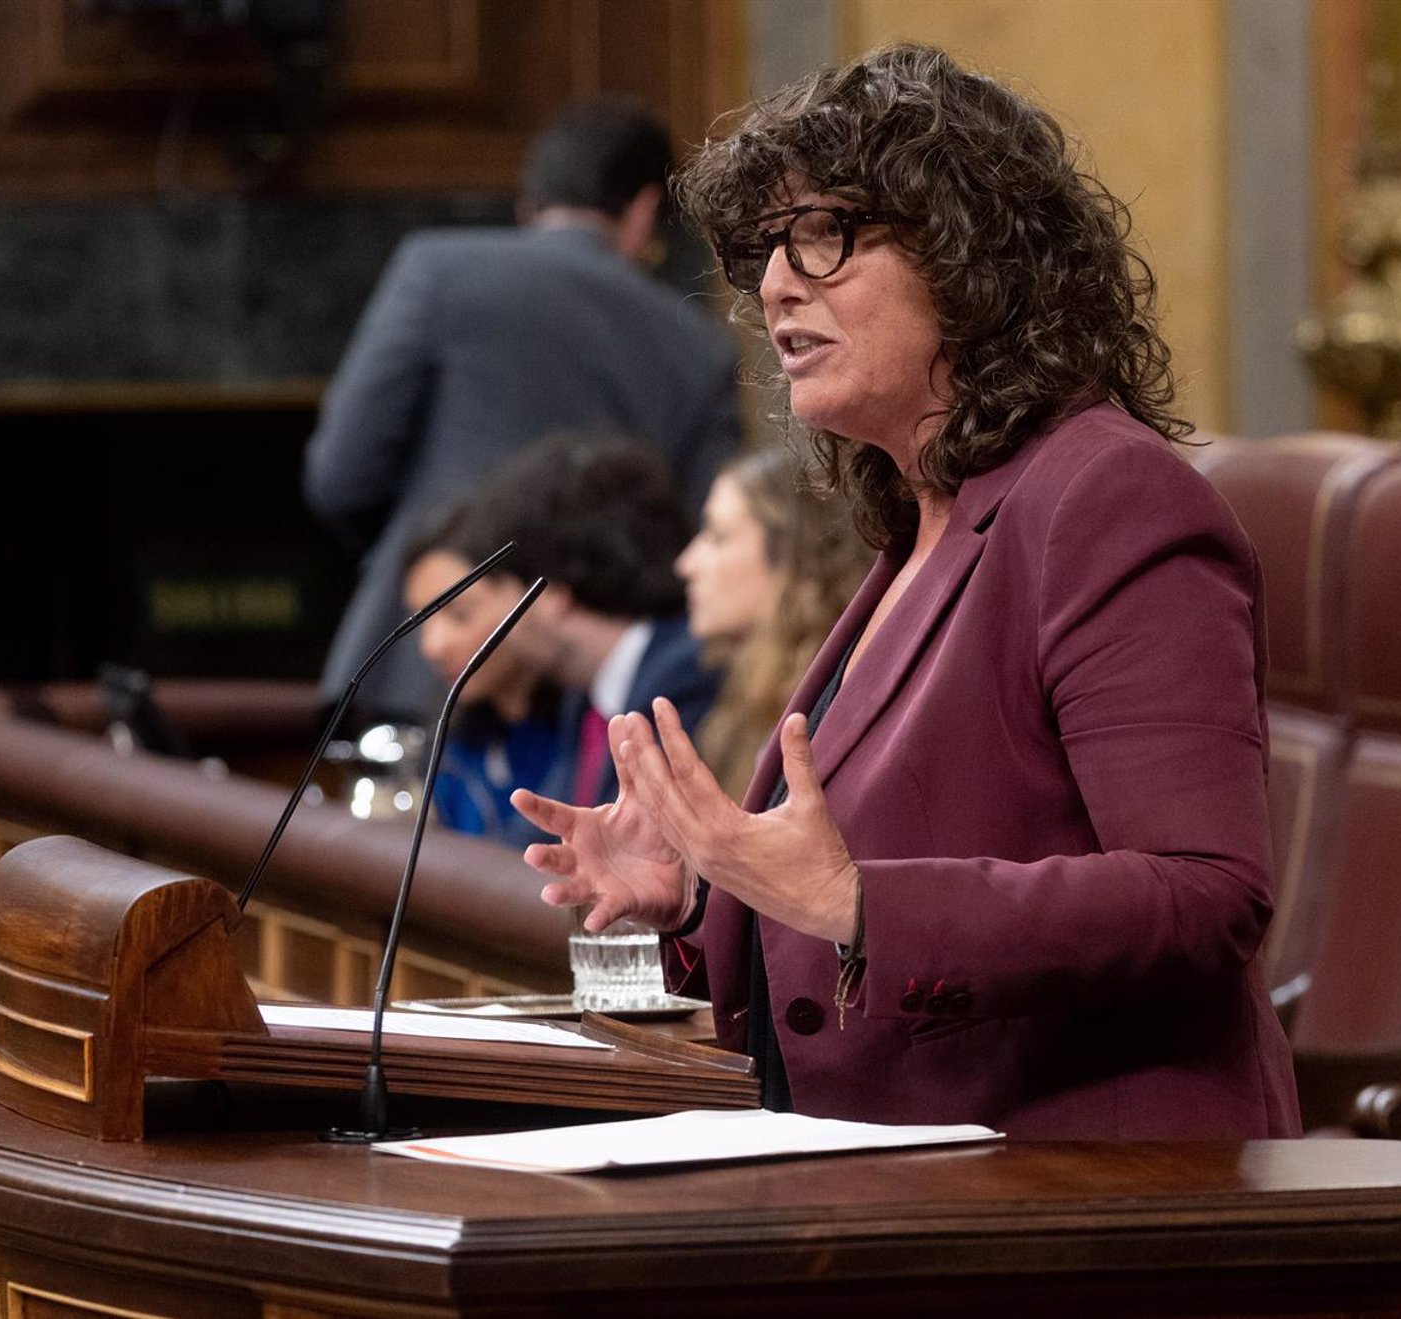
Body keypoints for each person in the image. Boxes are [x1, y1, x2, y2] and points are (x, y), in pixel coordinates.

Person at [510, 44, 1301, 1139]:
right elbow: (865, 868)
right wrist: (704, 891)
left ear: (971, 256)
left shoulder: (1108, 497)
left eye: (825, 234)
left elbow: (1207, 892)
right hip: (894, 1174)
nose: (776, 284)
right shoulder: (924, 520)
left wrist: (858, 903)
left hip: (1086, 1186)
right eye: (766, 249)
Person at [302, 96, 742, 726]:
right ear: (645, 211)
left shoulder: (436, 270)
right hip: (590, 698)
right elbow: (701, 535)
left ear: (527, 204)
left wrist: (429, 560)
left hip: (419, 662)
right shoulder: (699, 344)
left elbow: (340, 476)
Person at [455, 433, 721, 847]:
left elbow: (624, 849)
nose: (498, 621)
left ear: (551, 594)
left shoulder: (684, 675)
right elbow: (541, 837)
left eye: (499, 591)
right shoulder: (588, 692)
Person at [677, 446, 870, 800]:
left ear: (790, 555)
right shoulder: (743, 691)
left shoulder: (830, 700)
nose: (687, 564)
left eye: (718, 536)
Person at [399, 504, 572, 845]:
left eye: (460, 615)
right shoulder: (452, 744)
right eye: (423, 622)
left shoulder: (587, 732)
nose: (433, 647)